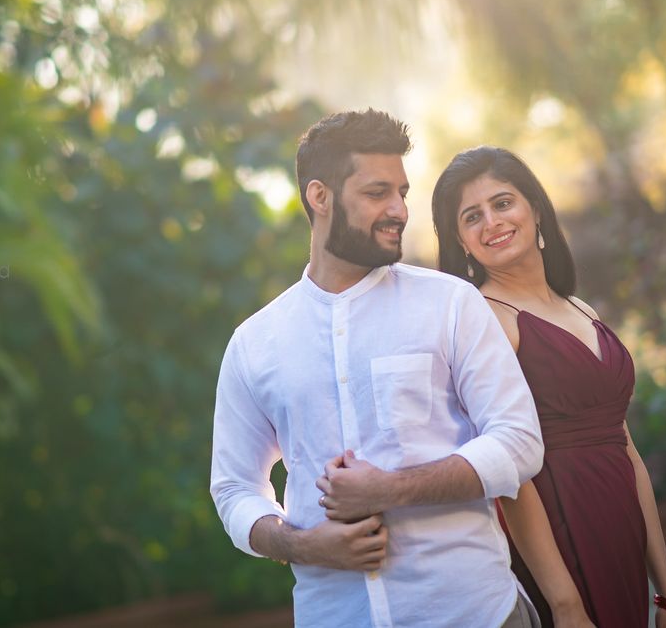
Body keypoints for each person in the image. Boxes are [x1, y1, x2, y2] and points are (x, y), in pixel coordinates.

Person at [210, 110, 545, 627]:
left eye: (402, 192)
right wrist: (303, 544)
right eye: (377, 193)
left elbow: (519, 441)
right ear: (319, 197)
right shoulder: (255, 343)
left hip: (474, 613)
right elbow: (234, 489)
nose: (399, 210)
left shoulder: (450, 304)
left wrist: (391, 489)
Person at [430, 146, 666, 628]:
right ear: (461, 241)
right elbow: (507, 470)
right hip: (560, 534)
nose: (492, 222)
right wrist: (564, 603)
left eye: (503, 203)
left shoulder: (581, 308)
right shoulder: (486, 319)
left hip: (620, 529)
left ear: (535, 209)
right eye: (472, 217)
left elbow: (627, 452)